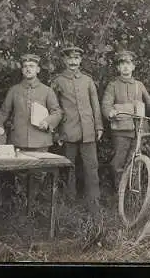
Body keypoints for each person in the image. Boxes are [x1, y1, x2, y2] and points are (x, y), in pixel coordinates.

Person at [102, 50, 150, 192]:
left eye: (128, 63)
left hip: (140, 129)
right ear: (118, 68)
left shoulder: (139, 85)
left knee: (135, 162)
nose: (125, 67)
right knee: (117, 163)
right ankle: (120, 192)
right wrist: (109, 112)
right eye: (122, 64)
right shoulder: (113, 85)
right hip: (121, 130)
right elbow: (106, 104)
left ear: (133, 67)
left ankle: (134, 193)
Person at [0, 53, 63, 203]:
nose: (28, 69)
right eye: (25, 66)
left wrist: (48, 121)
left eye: (32, 66)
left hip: (40, 140)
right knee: (19, 173)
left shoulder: (47, 91)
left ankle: (33, 204)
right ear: (22, 70)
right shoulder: (14, 90)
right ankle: (21, 204)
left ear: (38, 69)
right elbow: (4, 112)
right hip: (19, 139)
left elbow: (57, 112)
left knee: (39, 174)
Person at [50, 45, 104, 214]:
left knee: (92, 167)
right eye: (69, 58)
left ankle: (94, 203)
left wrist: (98, 126)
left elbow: (95, 106)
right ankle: (69, 203)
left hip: (88, 131)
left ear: (80, 61)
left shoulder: (87, 81)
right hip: (68, 131)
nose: (73, 61)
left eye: (76, 58)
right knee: (68, 168)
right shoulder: (58, 81)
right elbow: (53, 108)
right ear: (64, 60)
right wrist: (56, 133)